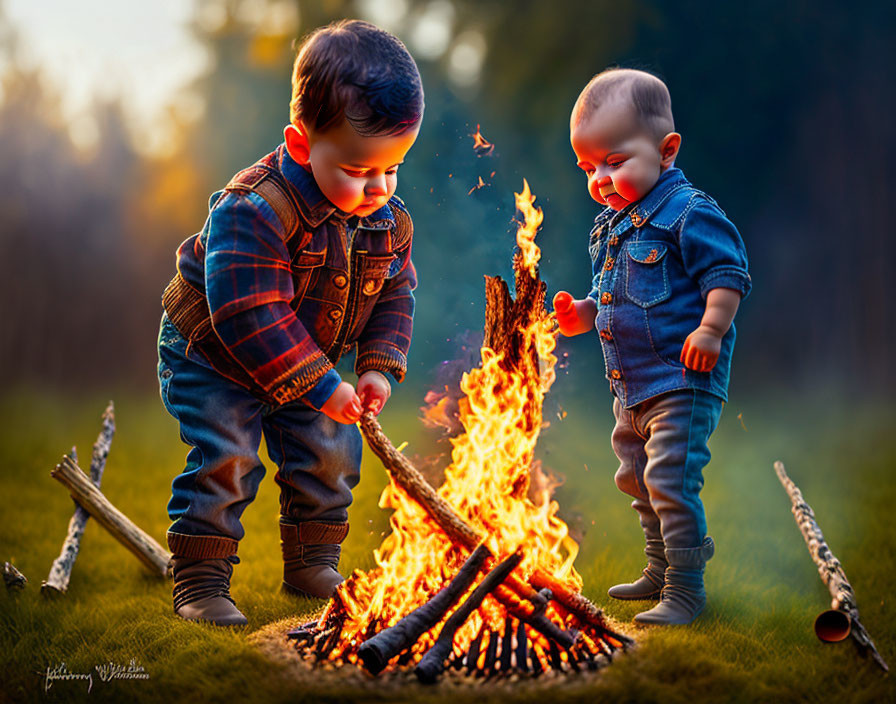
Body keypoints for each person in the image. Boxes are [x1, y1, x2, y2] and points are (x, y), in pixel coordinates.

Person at [156, 19, 423, 626]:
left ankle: (311, 561)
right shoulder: (253, 209)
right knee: (227, 458)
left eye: (393, 168)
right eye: (360, 171)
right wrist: (326, 385)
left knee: (329, 453)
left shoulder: (386, 220)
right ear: (302, 145)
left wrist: (378, 365)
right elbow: (249, 313)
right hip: (217, 356)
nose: (378, 188)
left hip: (310, 358)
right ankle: (200, 581)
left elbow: (395, 294)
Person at [553, 68, 750, 625]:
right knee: (637, 478)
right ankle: (659, 568)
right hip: (631, 386)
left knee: (669, 480)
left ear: (666, 151)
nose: (600, 179)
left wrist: (710, 330)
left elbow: (727, 274)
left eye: (614, 162)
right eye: (589, 167)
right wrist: (581, 314)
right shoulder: (612, 227)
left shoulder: (688, 213)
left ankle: (686, 590)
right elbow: (607, 295)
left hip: (681, 381)